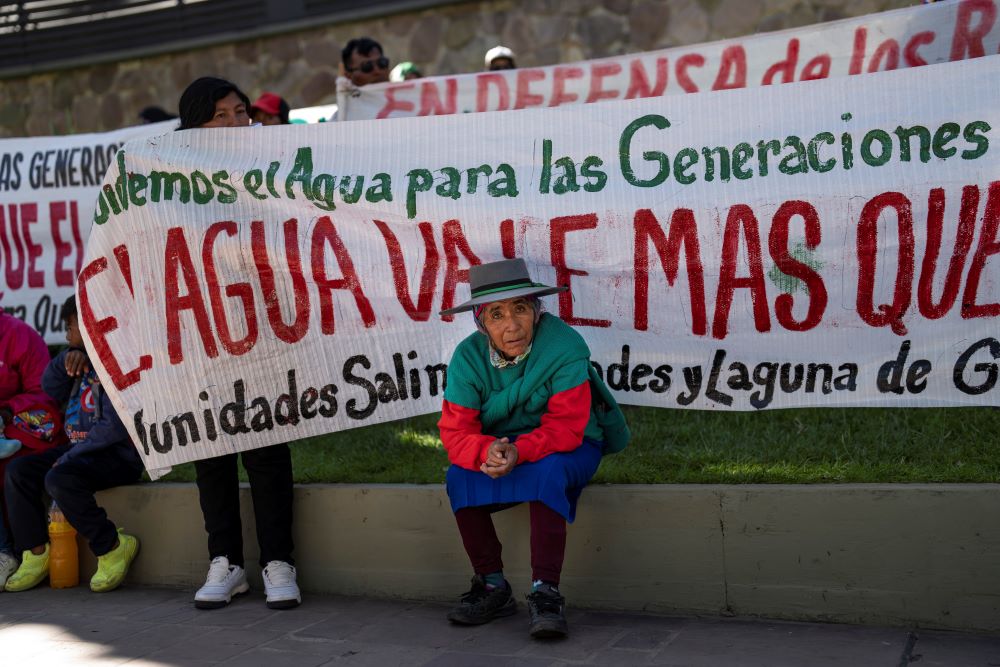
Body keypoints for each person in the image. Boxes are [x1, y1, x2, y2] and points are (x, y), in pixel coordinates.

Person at [437, 258, 629, 638]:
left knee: (547, 472)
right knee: (459, 478)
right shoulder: (467, 358)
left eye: (521, 309)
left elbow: (567, 427)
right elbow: (456, 433)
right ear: (480, 322)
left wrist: (518, 452)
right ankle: (492, 585)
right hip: (501, 448)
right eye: (496, 314)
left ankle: (546, 592)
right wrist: (486, 452)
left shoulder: (563, 346)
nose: (512, 325)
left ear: (537, 311)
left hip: (570, 444)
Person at [176, 76, 300, 610]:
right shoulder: (168, 184)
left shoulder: (272, 173)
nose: (234, 123)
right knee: (213, 452)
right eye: (220, 115)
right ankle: (225, 562)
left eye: (241, 112)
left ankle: (279, 563)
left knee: (267, 448)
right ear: (194, 127)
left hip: (264, 328)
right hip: (203, 333)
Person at [4, 297, 143, 593]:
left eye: (70, 327)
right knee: (19, 470)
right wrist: (68, 355)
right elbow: (49, 388)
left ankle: (112, 546)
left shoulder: (117, 359)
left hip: (117, 456)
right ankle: (35, 552)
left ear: (90, 323)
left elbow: (112, 429)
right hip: (80, 450)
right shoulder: (78, 359)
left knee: (60, 478)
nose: (67, 335)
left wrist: (71, 456)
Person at [0, 310, 65, 588]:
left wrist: (5, 413)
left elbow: (43, 393)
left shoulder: (18, 334)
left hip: (26, 421)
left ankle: (6, 553)